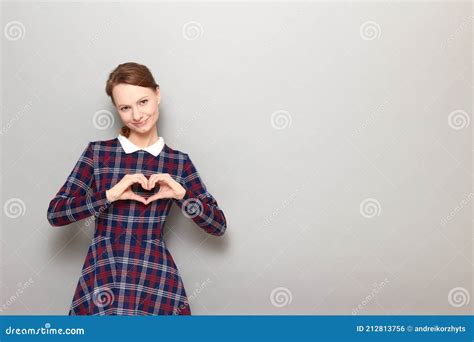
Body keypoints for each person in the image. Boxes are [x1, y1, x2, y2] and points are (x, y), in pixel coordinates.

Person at [46, 62, 227, 315]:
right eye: (125, 107)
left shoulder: (178, 162)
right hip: (103, 273)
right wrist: (110, 195)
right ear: (117, 110)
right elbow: (55, 213)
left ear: (158, 95)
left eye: (143, 102)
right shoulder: (98, 153)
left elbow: (218, 226)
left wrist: (182, 196)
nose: (137, 115)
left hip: (155, 279)